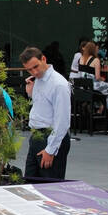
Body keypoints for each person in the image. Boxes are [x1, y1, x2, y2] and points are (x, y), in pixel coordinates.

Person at [21, 45, 71, 179]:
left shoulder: (59, 84)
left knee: (50, 188)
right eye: (29, 69)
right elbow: (43, 107)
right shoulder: (37, 80)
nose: (34, 72)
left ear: (43, 59)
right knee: (30, 186)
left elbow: (63, 121)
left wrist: (51, 149)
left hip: (51, 138)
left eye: (36, 66)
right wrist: (31, 94)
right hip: (36, 136)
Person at [71, 40, 108, 120]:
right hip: (93, 87)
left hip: (83, 87)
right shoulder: (96, 60)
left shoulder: (81, 58)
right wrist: (103, 78)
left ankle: (100, 106)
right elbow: (97, 77)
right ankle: (106, 108)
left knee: (101, 91)